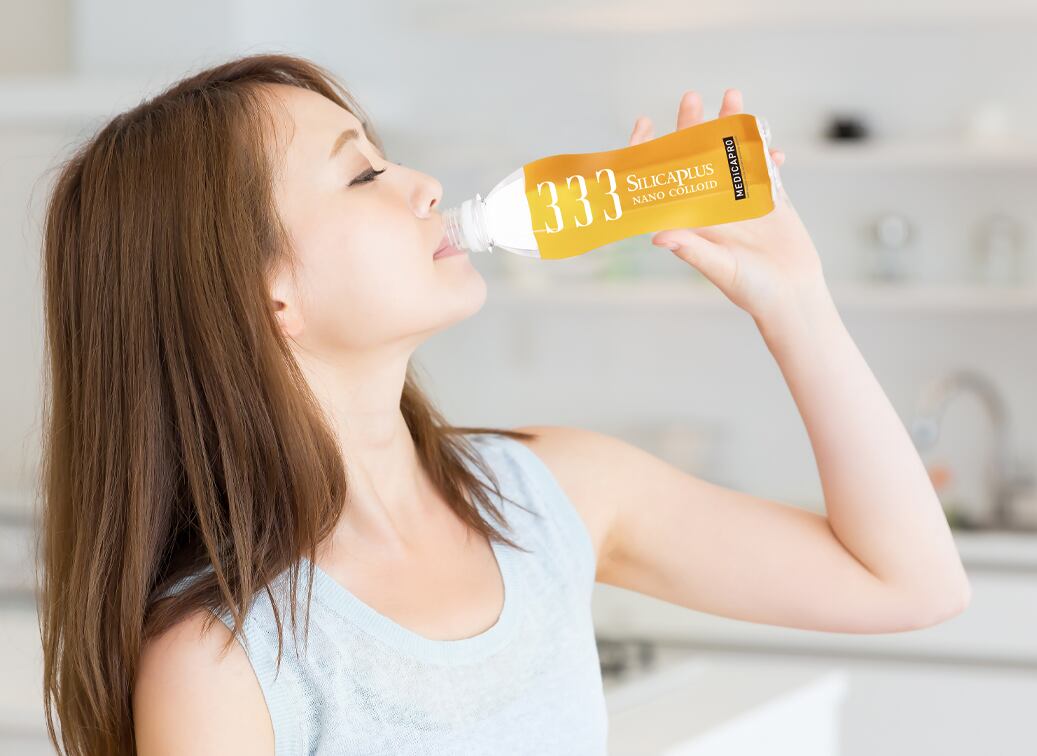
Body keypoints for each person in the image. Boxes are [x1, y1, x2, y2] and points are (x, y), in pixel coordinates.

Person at [36, 53, 971, 756]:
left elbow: (911, 585)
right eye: (363, 174)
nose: (424, 186)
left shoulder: (549, 496)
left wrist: (794, 301)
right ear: (264, 294)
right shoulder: (221, 665)